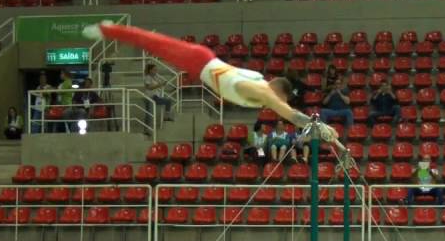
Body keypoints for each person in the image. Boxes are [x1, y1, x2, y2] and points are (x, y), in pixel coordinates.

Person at [84, 21, 341, 148]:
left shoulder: (262, 84)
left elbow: (285, 107)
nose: (276, 105)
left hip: (203, 63)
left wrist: (317, 127)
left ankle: (112, 30)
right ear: (277, 91)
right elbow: (289, 113)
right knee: (155, 43)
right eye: (280, 99)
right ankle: (109, 30)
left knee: (156, 44)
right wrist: (319, 127)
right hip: (200, 61)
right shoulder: (264, 91)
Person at [142, 63, 175, 135]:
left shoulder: (155, 77)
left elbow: (159, 84)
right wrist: (159, 85)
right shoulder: (147, 77)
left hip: (155, 96)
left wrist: (163, 83)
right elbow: (149, 87)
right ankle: (146, 130)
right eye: (154, 70)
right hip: (149, 97)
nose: (156, 71)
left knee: (168, 101)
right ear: (150, 70)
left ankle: (166, 116)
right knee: (149, 114)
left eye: (156, 70)